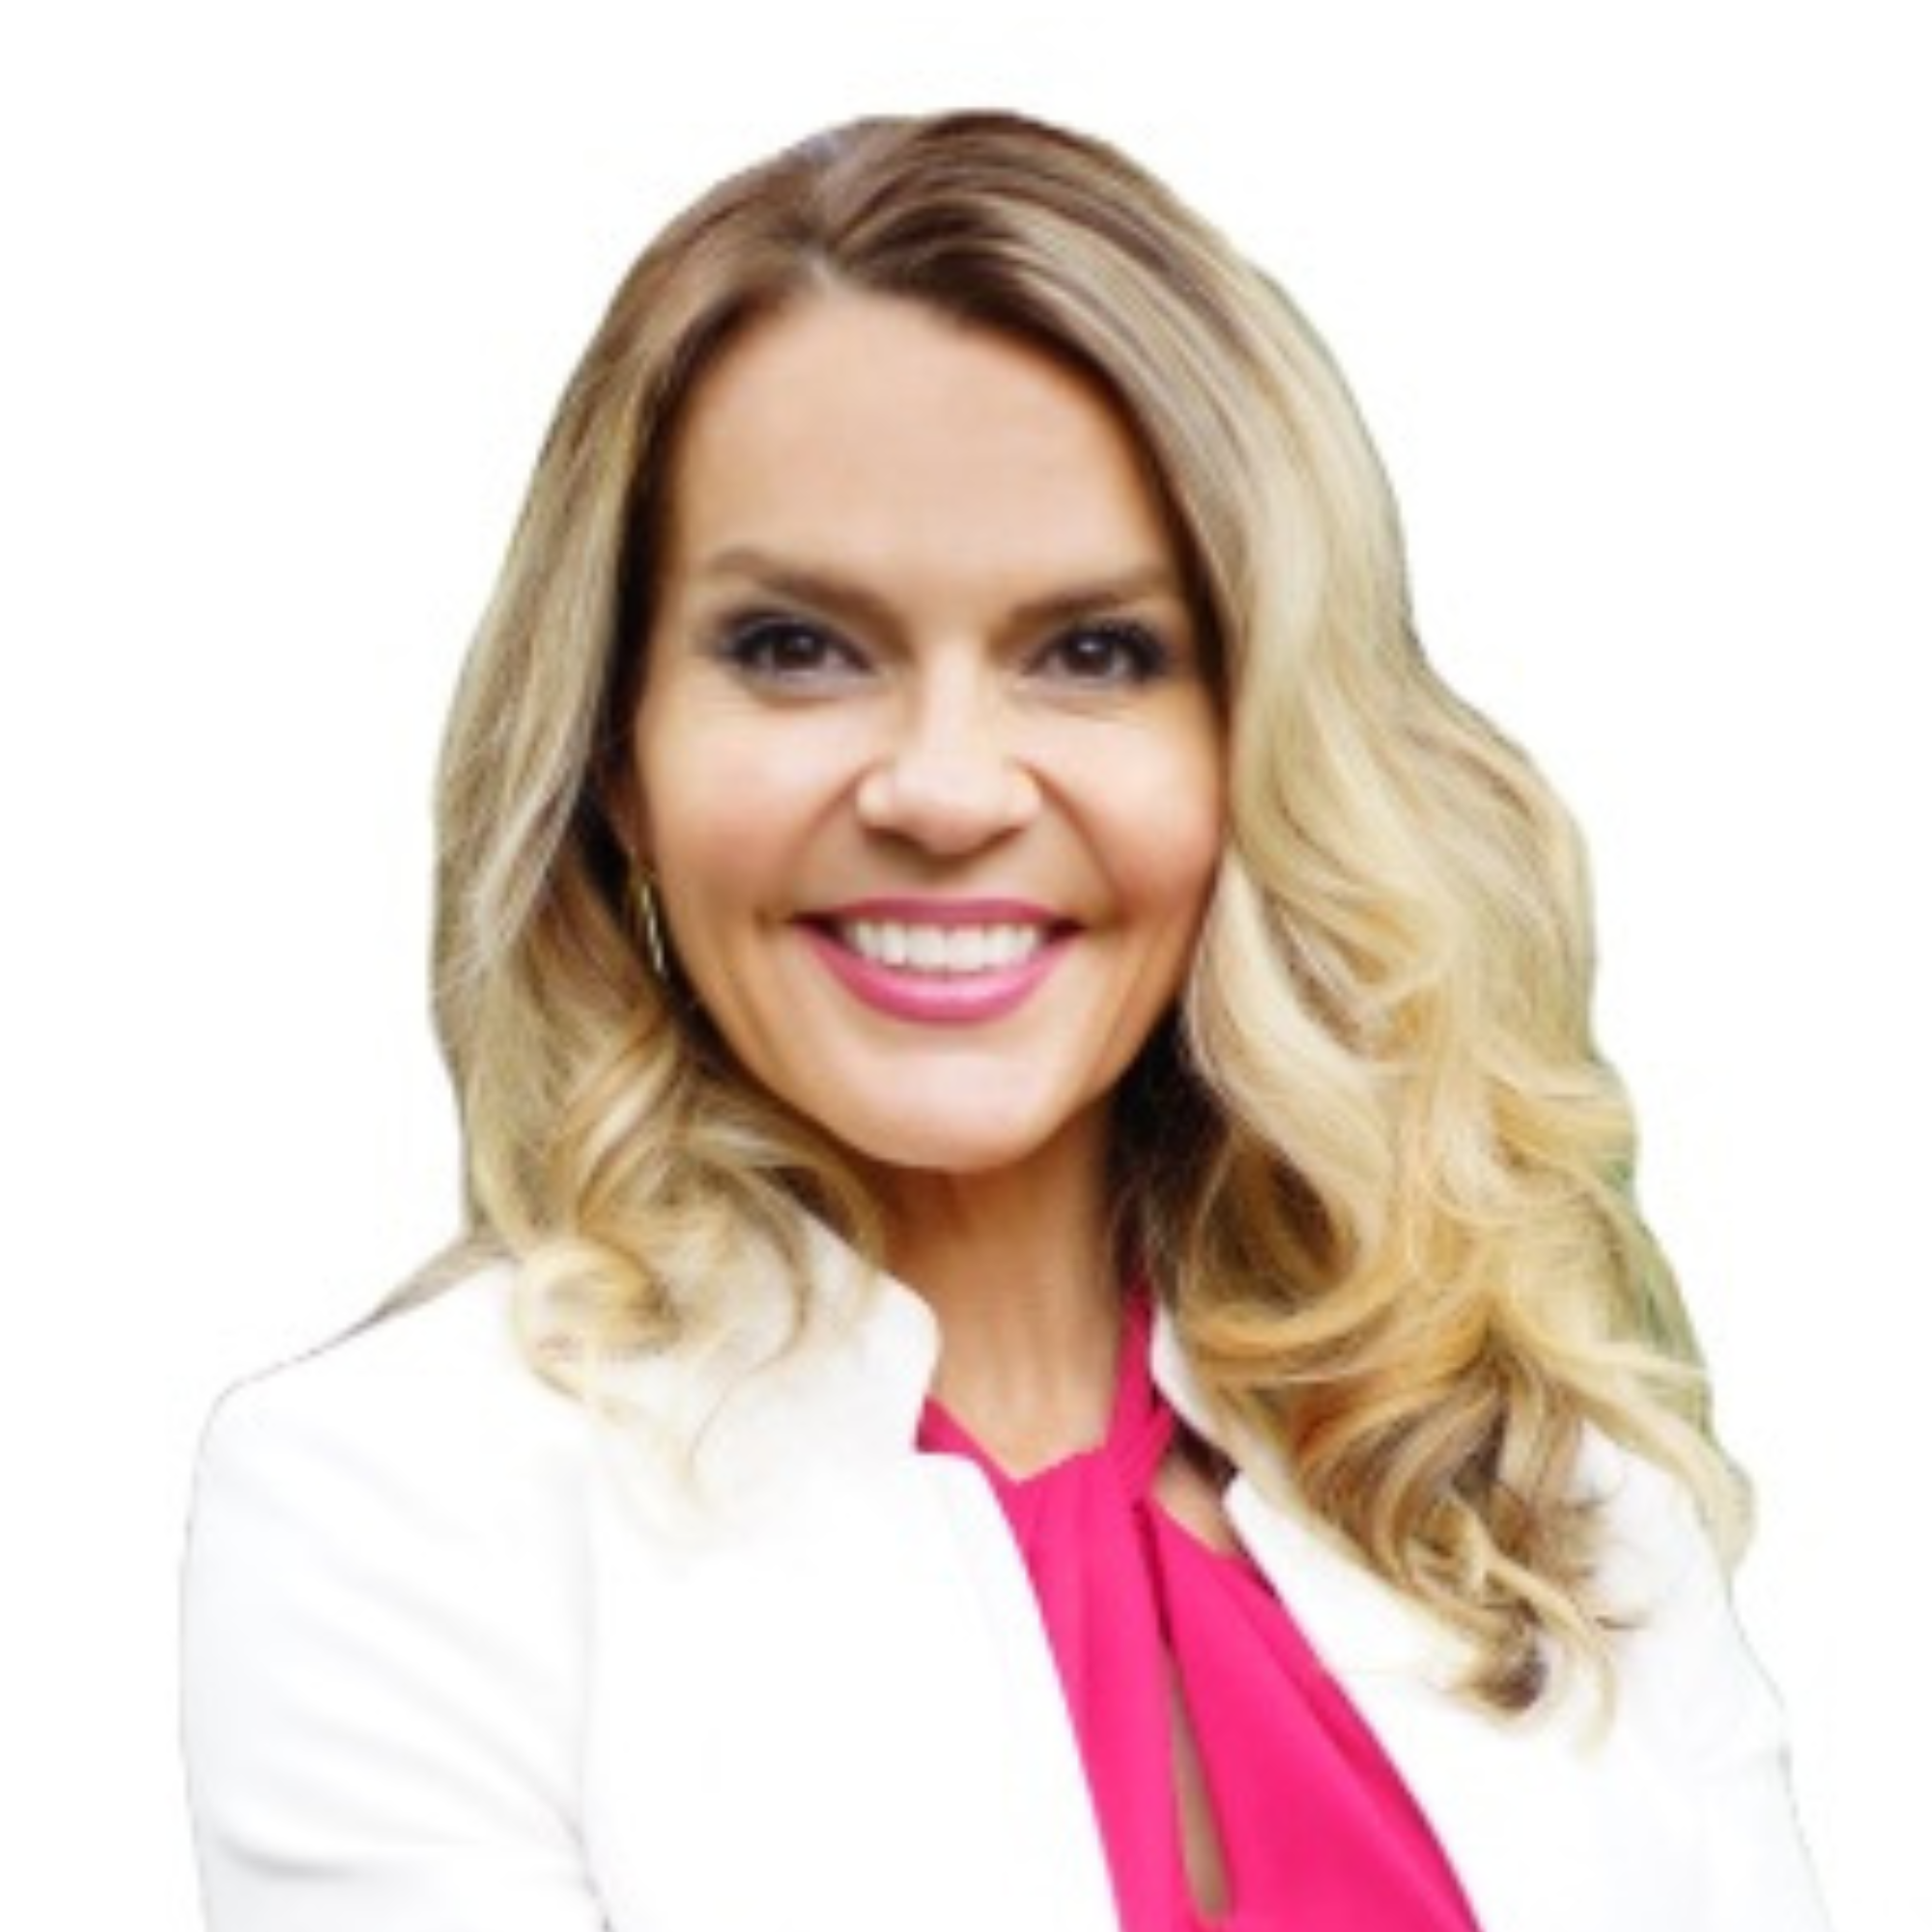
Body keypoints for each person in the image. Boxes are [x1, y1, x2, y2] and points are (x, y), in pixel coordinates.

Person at [181, 111, 1830, 1932]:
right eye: (797, 646)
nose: (946, 788)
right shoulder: (405, 1506)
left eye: (1096, 650)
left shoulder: (1535, 1484)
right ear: (614, 760)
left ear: (1255, 751)